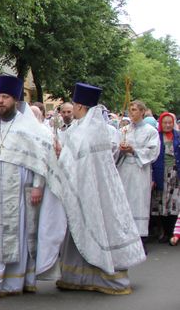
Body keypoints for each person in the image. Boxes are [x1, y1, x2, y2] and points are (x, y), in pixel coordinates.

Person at [0, 75, 63, 302]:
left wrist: (38, 186)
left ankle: (17, 280)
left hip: (19, 191)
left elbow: (43, 159)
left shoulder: (31, 129)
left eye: (5, 97)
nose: (0, 101)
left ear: (15, 100)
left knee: (18, 233)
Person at [50, 83, 145, 295]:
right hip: (92, 187)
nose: (72, 108)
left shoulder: (87, 131)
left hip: (89, 189)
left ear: (81, 106)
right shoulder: (91, 127)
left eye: (74, 104)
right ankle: (77, 276)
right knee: (84, 229)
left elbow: (72, 161)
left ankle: (101, 276)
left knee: (93, 227)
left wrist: (60, 155)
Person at [116, 101, 159, 243]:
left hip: (140, 170)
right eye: (130, 109)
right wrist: (120, 150)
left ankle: (140, 238)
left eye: (134, 110)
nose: (131, 112)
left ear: (142, 112)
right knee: (124, 200)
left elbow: (153, 151)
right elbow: (114, 150)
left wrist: (134, 150)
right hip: (124, 169)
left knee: (139, 201)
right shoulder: (124, 130)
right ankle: (125, 235)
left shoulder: (150, 131)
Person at [151, 112, 180, 242]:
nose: (168, 125)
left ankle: (171, 232)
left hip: (175, 174)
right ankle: (162, 231)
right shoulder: (156, 137)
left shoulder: (178, 136)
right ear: (161, 123)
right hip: (160, 173)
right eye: (165, 122)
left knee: (174, 203)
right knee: (161, 202)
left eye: (170, 122)